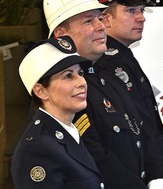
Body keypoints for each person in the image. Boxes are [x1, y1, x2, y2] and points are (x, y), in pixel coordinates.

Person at [43, 0, 163, 189]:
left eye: (99, 18)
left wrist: (159, 178)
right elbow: (96, 160)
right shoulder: (59, 91)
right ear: (61, 35)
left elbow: (142, 132)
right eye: (88, 21)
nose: (101, 26)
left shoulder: (108, 77)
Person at [93, 0, 163, 185]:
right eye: (131, 11)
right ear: (105, 18)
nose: (141, 17)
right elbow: (139, 125)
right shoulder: (109, 63)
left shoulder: (121, 55)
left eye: (141, 10)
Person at [11, 36, 106, 189]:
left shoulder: (66, 132)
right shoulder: (37, 149)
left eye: (80, 73)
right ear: (41, 91)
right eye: (68, 76)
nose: (82, 82)